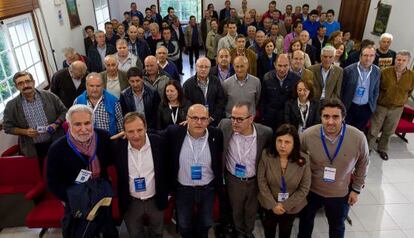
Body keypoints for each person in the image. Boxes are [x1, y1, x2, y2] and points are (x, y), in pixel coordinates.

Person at [298, 98, 369, 238]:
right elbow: (297, 162)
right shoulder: (307, 136)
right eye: (326, 116)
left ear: (343, 117)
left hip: (340, 193)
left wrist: (356, 189)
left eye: (335, 117)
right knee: (305, 224)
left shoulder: (358, 137)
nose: (330, 122)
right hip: (311, 190)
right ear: (320, 117)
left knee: (337, 227)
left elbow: (363, 163)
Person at [46, 104, 118, 238]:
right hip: (76, 199)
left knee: (108, 229)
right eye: (77, 124)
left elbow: (117, 160)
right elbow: (52, 182)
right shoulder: (57, 149)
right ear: (69, 125)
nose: (83, 129)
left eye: (87, 123)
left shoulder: (104, 138)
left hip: (102, 193)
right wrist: (71, 197)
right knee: (81, 232)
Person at [164, 104, 223, 238]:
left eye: (203, 118)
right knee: (184, 224)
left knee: (206, 223)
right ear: (187, 119)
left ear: (208, 120)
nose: (199, 122)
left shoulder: (216, 134)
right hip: (183, 188)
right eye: (194, 118)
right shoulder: (174, 132)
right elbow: (154, 136)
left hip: (208, 188)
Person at [218, 102, 272, 237]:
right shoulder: (224, 126)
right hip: (233, 179)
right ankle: (239, 231)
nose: (235, 122)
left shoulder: (265, 133)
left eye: (240, 119)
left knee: (251, 210)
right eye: (233, 117)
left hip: (255, 180)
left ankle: (248, 231)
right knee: (236, 210)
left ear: (251, 118)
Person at [114, 112, 169, 238]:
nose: (136, 135)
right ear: (124, 132)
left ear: (145, 127)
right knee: (135, 233)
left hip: (155, 199)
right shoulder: (117, 147)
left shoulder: (159, 143)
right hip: (131, 201)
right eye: (130, 131)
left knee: (157, 232)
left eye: (139, 130)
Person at [4, 71, 67, 170]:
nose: (25, 85)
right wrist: (24, 131)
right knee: (43, 173)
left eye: (27, 81)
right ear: (16, 87)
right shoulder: (11, 105)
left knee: (63, 168)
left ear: (33, 82)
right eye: (20, 83)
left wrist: (56, 124)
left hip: (55, 141)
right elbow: (7, 127)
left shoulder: (50, 96)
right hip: (33, 148)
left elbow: (64, 112)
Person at [258, 124, 311, 238]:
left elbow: (304, 188)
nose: (282, 146)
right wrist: (273, 205)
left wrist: (285, 206)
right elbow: (261, 182)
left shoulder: (304, 159)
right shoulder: (266, 155)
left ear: (294, 144)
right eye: (279, 141)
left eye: (287, 142)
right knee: (269, 230)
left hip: (291, 206)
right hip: (269, 204)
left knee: (285, 231)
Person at [367, 50, 414, 160]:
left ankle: (382, 149)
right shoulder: (384, 72)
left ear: (408, 62)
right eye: (398, 59)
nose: (400, 62)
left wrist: (401, 101)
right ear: (395, 59)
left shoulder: (412, 76)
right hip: (381, 106)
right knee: (374, 129)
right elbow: (376, 88)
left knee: (389, 130)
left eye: (403, 60)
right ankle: (368, 147)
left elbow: (409, 91)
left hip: (397, 108)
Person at [341, 46, 380, 131]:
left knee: (358, 132)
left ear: (374, 57)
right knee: (344, 130)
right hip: (349, 107)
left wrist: (372, 106)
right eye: (365, 55)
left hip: (366, 108)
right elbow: (342, 90)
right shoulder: (348, 70)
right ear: (360, 56)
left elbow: (376, 90)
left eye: (371, 55)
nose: (368, 58)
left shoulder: (376, 71)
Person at [261, 54, 300, 130]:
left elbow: (296, 101)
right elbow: (263, 100)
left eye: (285, 66)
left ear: (289, 65)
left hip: (288, 119)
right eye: (279, 65)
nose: (282, 69)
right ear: (275, 65)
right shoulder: (267, 77)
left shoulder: (296, 79)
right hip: (270, 119)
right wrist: (264, 116)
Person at [183, 57, 226, 126]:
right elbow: (185, 105)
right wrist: (196, 118)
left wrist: (212, 118)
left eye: (206, 67)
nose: (203, 69)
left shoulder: (216, 81)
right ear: (196, 67)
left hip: (214, 121)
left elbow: (221, 101)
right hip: (196, 121)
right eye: (201, 66)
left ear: (210, 68)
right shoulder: (188, 84)